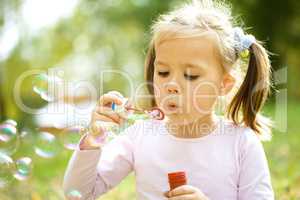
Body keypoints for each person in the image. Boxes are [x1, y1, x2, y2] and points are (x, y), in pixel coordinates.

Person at [63, 0, 274, 199]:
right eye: (163, 72)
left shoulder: (240, 143)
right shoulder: (140, 136)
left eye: (191, 75)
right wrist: (93, 140)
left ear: (224, 84)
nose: (171, 84)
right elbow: (80, 194)